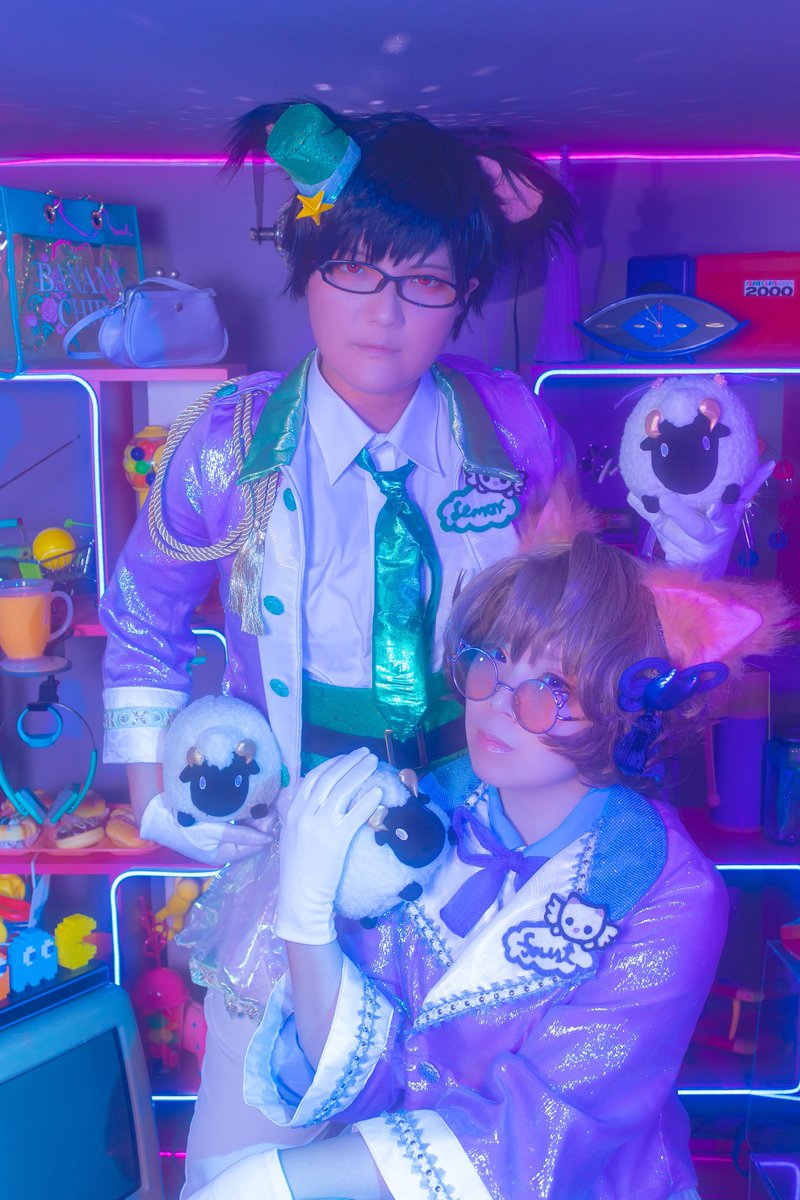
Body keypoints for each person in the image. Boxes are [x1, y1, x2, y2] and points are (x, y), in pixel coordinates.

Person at [98, 102, 753, 1193]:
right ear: (307, 265)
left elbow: (566, 614)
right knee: (244, 1143)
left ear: (466, 293)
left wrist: (692, 554)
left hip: (480, 824)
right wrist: (159, 794)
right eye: (356, 268)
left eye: (425, 281)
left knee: (468, 1106)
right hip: (298, 819)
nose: (385, 311)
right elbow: (141, 620)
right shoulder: (226, 445)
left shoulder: (510, 427)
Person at [190, 532, 787, 1200]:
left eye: (550, 686)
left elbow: (536, 1148)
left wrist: (276, 1180)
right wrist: (305, 924)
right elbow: (370, 1080)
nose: (498, 703)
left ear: (624, 710)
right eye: (489, 663)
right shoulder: (423, 817)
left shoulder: (671, 892)